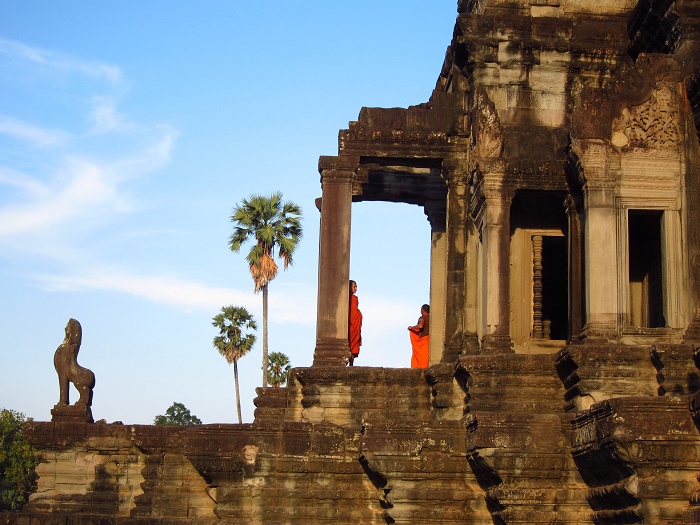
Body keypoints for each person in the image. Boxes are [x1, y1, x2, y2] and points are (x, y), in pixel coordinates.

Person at [408, 304, 430, 368]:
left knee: (420, 358)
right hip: (428, 341)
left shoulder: (422, 318)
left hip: (423, 341)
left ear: (422, 310)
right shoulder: (432, 319)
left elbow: (420, 326)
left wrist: (412, 327)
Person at [348, 280, 363, 366]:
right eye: (354, 286)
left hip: (355, 324)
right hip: (351, 324)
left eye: (356, 287)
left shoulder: (355, 298)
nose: (356, 288)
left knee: (354, 344)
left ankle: (351, 364)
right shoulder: (349, 298)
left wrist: (359, 315)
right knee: (350, 342)